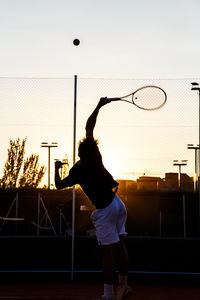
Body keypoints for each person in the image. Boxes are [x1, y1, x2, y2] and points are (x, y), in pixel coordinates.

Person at [55, 98, 132, 300]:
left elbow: (58, 185)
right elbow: (89, 126)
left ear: (79, 154)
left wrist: (56, 169)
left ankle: (108, 294)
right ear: (92, 149)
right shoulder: (96, 157)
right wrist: (99, 105)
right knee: (120, 246)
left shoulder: (77, 171)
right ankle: (123, 285)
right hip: (118, 204)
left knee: (107, 253)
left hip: (105, 210)